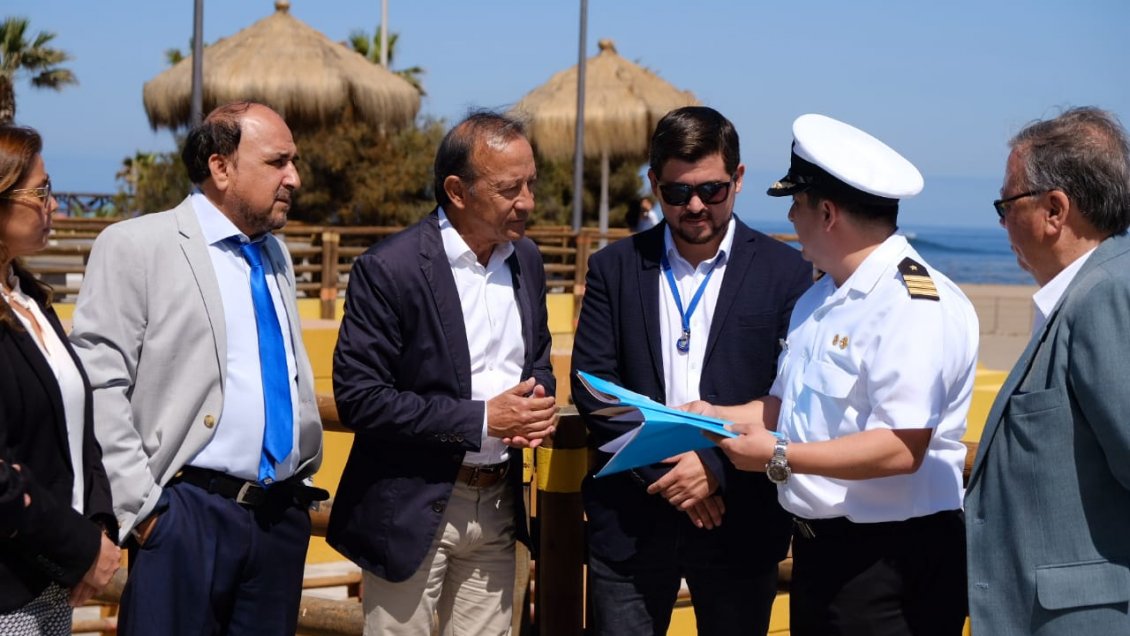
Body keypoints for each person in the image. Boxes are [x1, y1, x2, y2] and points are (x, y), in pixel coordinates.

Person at [692, 113, 978, 635]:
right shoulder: (820, 297)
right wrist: (712, 415)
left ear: (826, 213)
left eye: (796, 204)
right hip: (822, 553)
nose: (790, 218)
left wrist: (779, 456)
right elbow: (787, 406)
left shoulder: (912, 304)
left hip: (893, 562)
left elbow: (901, 447)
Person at [69, 102, 325, 636]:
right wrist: (147, 512)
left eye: (294, 162)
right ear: (221, 167)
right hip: (186, 518)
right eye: (277, 162)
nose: (294, 178)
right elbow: (99, 384)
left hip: (278, 522)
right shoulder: (137, 245)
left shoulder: (275, 255)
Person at [571, 106, 812, 635]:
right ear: (654, 184)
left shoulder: (786, 273)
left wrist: (714, 467)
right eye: (678, 192)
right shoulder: (613, 267)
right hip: (632, 519)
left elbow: (793, 395)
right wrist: (669, 475)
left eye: (712, 189)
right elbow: (593, 388)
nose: (696, 205)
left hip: (739, 517)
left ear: (738, 178)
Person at [328, 111, 557, 636]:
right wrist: (484, 420)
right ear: (457, 191)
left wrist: (537, 401)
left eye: (531, 183)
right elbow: (360, 397)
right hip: (410, 506)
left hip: (499, 502)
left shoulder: (526, 260)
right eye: (509, 188)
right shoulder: (390, 268)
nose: (527, 201)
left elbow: (538, 358)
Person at [966, 107, 1130, 634]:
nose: (1002, 222)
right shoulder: (1090, 291)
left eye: (1006, 204)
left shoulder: (1105, 296)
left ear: (1055, 210)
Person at [0, 125, 121, 635]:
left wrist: (100, 524)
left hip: (51, 580)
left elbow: (77, 427)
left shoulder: (29, 298)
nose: (53, 205)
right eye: (41, 191)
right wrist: (81, 546)